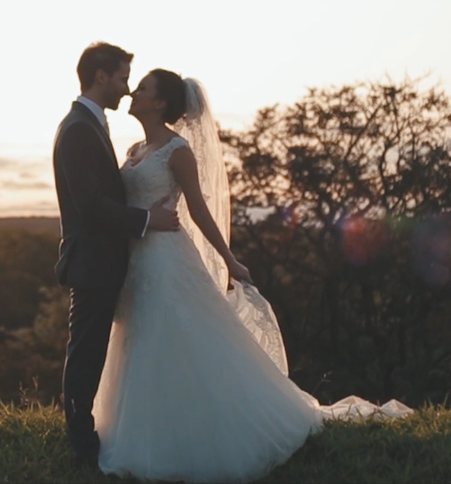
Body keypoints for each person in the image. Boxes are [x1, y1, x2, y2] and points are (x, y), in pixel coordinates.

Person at [93, 68, 412, 483]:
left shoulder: (177, 151)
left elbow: (199, 211)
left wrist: (229, 259)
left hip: (167, 260)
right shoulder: (135, 148)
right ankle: (134, 429)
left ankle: (197, 436)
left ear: (160, 103)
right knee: (137, 343)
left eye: (144, 89)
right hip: (136, 261)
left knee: (170, 341)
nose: (134, 93)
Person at [51, 43, 180, 469]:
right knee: (86, 354)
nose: (126, 90)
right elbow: (90, 205)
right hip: (91, 262)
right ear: (101, 75)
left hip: (102, 261)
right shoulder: (78, 129)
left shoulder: (89, 124)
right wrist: (147, 220)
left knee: (90, 351)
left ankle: (84, 438)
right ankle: (82, 446)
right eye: (123, 78)